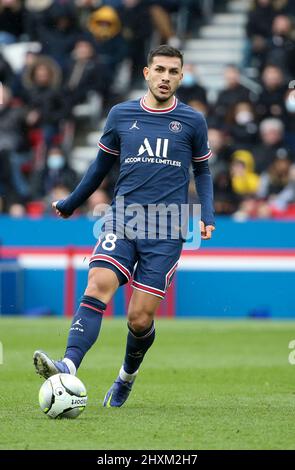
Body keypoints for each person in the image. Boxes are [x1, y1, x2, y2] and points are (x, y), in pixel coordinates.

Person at [33, 45, 215, 407]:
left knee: (138, 318)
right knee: (99, 283)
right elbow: (99, 167)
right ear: (146, 73)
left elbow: (204, 170)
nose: (165, 77)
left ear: (181, 76)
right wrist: (71, 203)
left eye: (173, 71)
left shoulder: (193, 121)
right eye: (159, 69)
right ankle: (68, 365)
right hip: (123, 218)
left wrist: (207, 215)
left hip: (167, 228)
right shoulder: (121, 114)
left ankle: (125, 377)